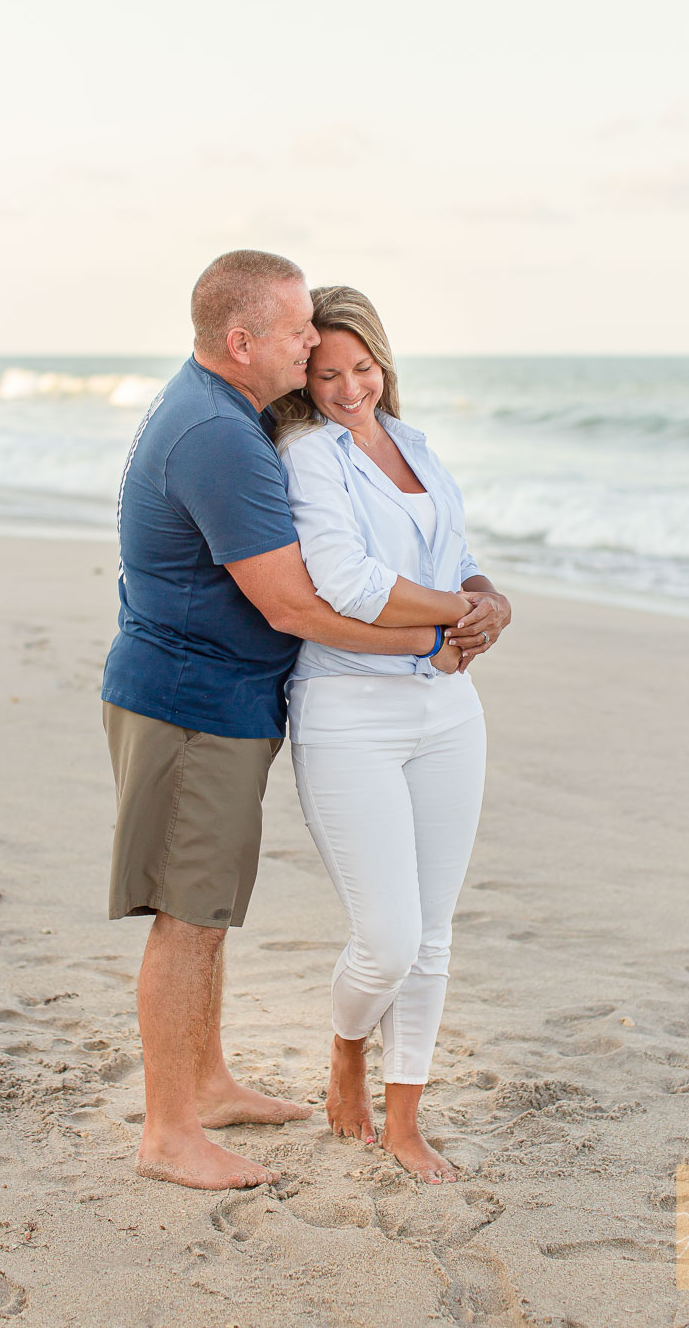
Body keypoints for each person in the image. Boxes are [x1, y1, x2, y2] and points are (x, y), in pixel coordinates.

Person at [101, 250, 480, 1192]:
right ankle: (170, 1132)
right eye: (301, 334)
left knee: (209, 907)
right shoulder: (225, 439)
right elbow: (300, 608)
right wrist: (438, 641)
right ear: (244, 342)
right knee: (187, 916)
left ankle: (210, 1083)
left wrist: (461, 611)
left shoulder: (223, 411)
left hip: (221, 698)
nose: (317, 346)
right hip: (190, 701)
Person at [275, 285, 512, 1183]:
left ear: (384, 360)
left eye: (362, 368)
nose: (348, 389)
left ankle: (406, 1119)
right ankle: (346, 1050)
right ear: (305, 377)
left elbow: (455, 555)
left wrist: (492, 599)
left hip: (449, 710)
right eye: (326, 373)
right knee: (389, 939)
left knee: (437, 931)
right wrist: (461, 612)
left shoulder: (414, 443)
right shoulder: (307, 454)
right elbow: (346, 580)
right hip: (349, 711)